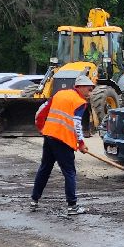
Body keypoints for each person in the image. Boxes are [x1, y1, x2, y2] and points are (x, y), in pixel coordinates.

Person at [30, 75, 94, 215]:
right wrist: (81, 143)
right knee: (70, 172)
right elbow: (77, 125)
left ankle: (34, 200)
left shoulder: (59, 94)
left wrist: (42, 128)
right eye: (89, 89)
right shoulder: (79, 102)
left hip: (50, 136)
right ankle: (72, 206)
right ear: (80, 87)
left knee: (45, 168)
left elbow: (41, 110)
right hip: (63, 140)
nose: (90, 92)